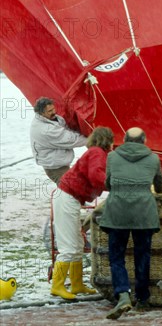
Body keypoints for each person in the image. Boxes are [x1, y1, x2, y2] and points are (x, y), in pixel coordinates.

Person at [99, 127, 162, 320]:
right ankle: (142, 299)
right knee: (142, 254)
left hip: (117, 211)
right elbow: (159, 185)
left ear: (125, 139)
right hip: (144, 212)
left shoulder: (112, 156)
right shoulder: (153, 158)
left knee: (116, 255)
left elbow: (108, 184)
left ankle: (123, 294)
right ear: (144, 140)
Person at [51, 126, 114, 299]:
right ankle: (57, 285)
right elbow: (96, 175)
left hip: (70, 198)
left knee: (77, 244)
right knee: (69, 246)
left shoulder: (95, 152)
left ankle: (77, 285)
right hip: (67, 197)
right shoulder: (97, 153)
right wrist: (113, 185)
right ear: (108, 140)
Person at [30, 97, 88, 185]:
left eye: (53, 109)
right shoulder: (46, 130)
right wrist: (91, 140)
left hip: (61, 164)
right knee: (72, 190)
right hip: (55, 168)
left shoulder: (55, 119)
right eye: (49, 111)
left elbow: (69, 133)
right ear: (41, 113)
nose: (53, 112)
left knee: (72, 190)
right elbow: (71, 140)